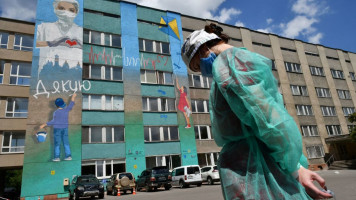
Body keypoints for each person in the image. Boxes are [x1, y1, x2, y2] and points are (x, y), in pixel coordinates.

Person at [181, 23, 333, 200]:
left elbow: (269, 122)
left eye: (198, 66)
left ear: (202, 50)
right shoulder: (228, 67)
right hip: (252, 168)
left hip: (258, 169)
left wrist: (295, 170)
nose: (201, 71)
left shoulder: (231, 64)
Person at [40, 93, 77, 162]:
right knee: (66, 142)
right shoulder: (66, 110)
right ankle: (68, 156)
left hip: (57, 129)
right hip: (65, 129)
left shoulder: (56, 112)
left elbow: (53, 121)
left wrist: (44, 124)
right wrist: (73, 96)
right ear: (63, 104)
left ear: (56, 105)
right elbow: (71, 104)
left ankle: (57, 157)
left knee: (57, 143)